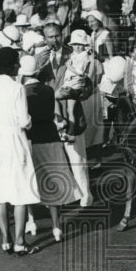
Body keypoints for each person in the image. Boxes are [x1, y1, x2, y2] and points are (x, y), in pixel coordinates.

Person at [0, 47, 41, 255]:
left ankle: (6, 239)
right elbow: (24, 120)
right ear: (13, 65)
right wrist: (29, 122)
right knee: (20, 191)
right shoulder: (17, 88)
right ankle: (20, 241)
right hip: (14, 139)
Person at [20, 54, 80, 243]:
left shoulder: (21, 91)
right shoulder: (48, 90)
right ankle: (56, 227)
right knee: (52, 182)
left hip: (31, 140)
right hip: (50, 137)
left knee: (29, 181)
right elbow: (55, 114)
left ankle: (31, 221)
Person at [39, 25, 94, 207]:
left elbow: (88, 86)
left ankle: (85, 196)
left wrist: (74, 94)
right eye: (50, 37)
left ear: (62, 36)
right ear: (44, 38)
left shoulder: (75, 53)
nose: (54, 40)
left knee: (77, 157)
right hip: (51, 114)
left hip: (71, 110)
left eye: (56, 36)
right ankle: (64, 196)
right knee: (56, 158)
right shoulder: (41, 58)